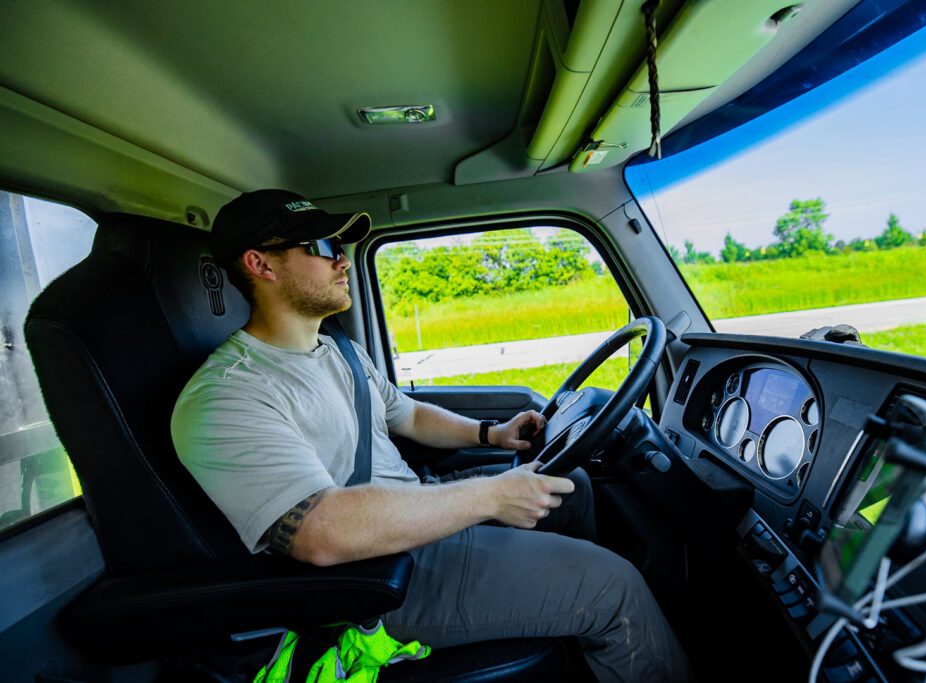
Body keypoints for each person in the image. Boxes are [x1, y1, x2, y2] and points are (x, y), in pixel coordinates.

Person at [171, 189, 689, 682]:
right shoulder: (226, 395)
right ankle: (600, 614)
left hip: (416, 511)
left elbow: (409, 416)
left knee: (570, 487)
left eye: (342, 247)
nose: (343, 260)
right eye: (323, 247)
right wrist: (487, 496)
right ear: (260, 264)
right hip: (374, 580)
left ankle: (579, 636)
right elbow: (321, 532)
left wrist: (492, 433)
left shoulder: (335, 350)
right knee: (614, 587)